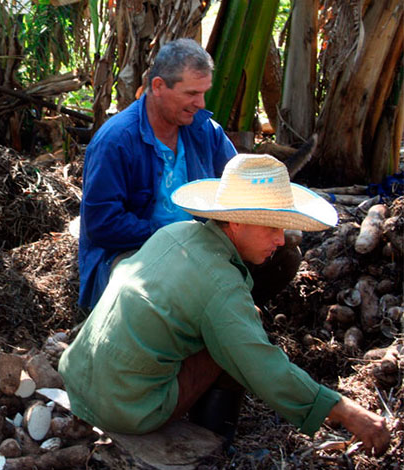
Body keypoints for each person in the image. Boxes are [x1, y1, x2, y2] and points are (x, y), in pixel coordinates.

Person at [59, 154, 391, 456]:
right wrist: (348, 412)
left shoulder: (176, 232)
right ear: (235, 223)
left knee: (234, 326)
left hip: (76, 376)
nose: (280, 240)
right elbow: (265, 370)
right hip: (126, 408)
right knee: (236, 346)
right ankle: (212, 442)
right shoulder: (221, 284)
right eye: (271, 228)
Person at [78, 38, 237, 311]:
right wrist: (174, 238)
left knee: (282, 257)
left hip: (199, 247)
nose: (201, 103)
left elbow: (237, 187)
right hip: (130, 253)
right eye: (191, 94)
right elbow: (102, 224)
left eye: (203, 92)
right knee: (172, 288)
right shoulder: (116, 141)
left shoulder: (205, 131)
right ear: (158, 86)